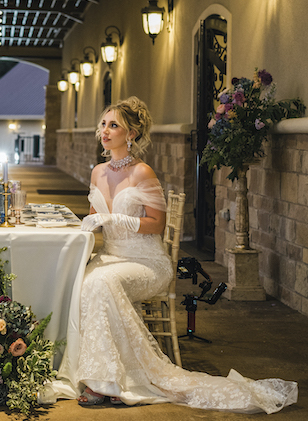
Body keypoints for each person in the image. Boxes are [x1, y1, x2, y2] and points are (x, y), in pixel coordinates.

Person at [73, 96, 297, 413]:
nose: (105, 131)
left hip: (147, 262)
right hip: (111, 256)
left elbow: (156, 223)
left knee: (100, 285)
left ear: (131, 134)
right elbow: (95, 217)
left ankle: (105, 383)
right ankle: (104, 372)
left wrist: (115, 219)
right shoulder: (97, 172)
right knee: (80, 282)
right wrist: (83, 224)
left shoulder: (142, 172)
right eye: (103, 124)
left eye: (114, 125)